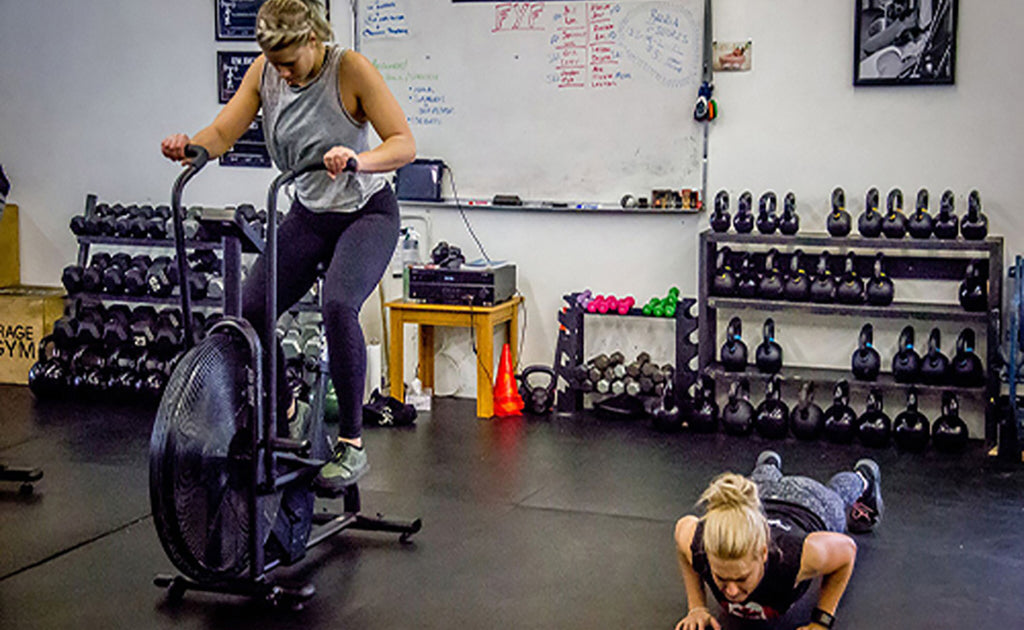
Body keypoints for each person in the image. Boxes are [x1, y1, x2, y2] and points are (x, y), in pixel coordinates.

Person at [160, 0, 415, 492]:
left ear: (314, 40)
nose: (283, 73)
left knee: (339, 304)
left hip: (367, 213)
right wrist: (190, 148)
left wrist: (359, 159)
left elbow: (404, 142)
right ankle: (289, 410)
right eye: (274, 63)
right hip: (309, 214)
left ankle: (352, 445)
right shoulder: (265, 72)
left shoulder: (351, 69)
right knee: (253, 308)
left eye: (290, 62)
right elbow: (222, 132)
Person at [673, 451, 884, 630]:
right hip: (764, 498)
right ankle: (768, 465)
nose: (731, 591)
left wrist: (821, 621)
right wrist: (697, 607)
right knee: (758, 484)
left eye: (741, 578)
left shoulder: (795, 557)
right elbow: (683, 526)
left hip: (812, 505)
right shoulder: (701, 545)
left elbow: (847, 551)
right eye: (721, 578)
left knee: (837, 493)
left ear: (764, 554)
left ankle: (863, 476)